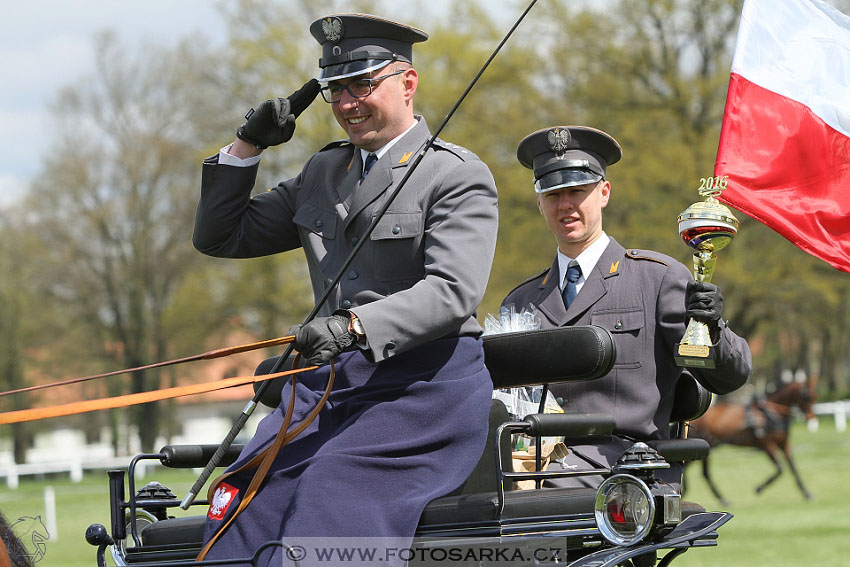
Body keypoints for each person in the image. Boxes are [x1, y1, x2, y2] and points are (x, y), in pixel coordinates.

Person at [192, 13, 499, 566]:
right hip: (325, 392)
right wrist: (246, 147)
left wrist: (355, 326)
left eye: (363, 84)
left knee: (328, 509)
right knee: (240, 511)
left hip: (419, 392)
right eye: (336, 89)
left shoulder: (454, 175)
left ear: (408, 83)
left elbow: (453, 291)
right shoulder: (323, 173)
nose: (348, 102)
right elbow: (220, 237)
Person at [502, 125, 752, 489]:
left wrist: (713, 329)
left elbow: (729, 377)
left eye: (577, 190)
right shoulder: (521, 302)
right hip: (534, 464)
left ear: (604, 192)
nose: (565, 204)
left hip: (628, 468)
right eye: (553, 193)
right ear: (538, 202)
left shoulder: (656, 280)